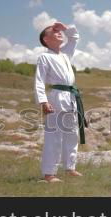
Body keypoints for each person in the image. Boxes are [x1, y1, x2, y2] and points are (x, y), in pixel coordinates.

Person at [34, 22, 87, 183]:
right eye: (54, 32)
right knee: (54, 136)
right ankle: (49, 173)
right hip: (56, 97)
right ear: (46, 39)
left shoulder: (65, 55)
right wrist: (43, 101)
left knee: (72, 134)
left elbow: (74, 37)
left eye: (59, 32)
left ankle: (70, 167)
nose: (59, 33)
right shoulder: (44, 57)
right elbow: (39, 81)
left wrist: (64, 27)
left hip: (71, 98)